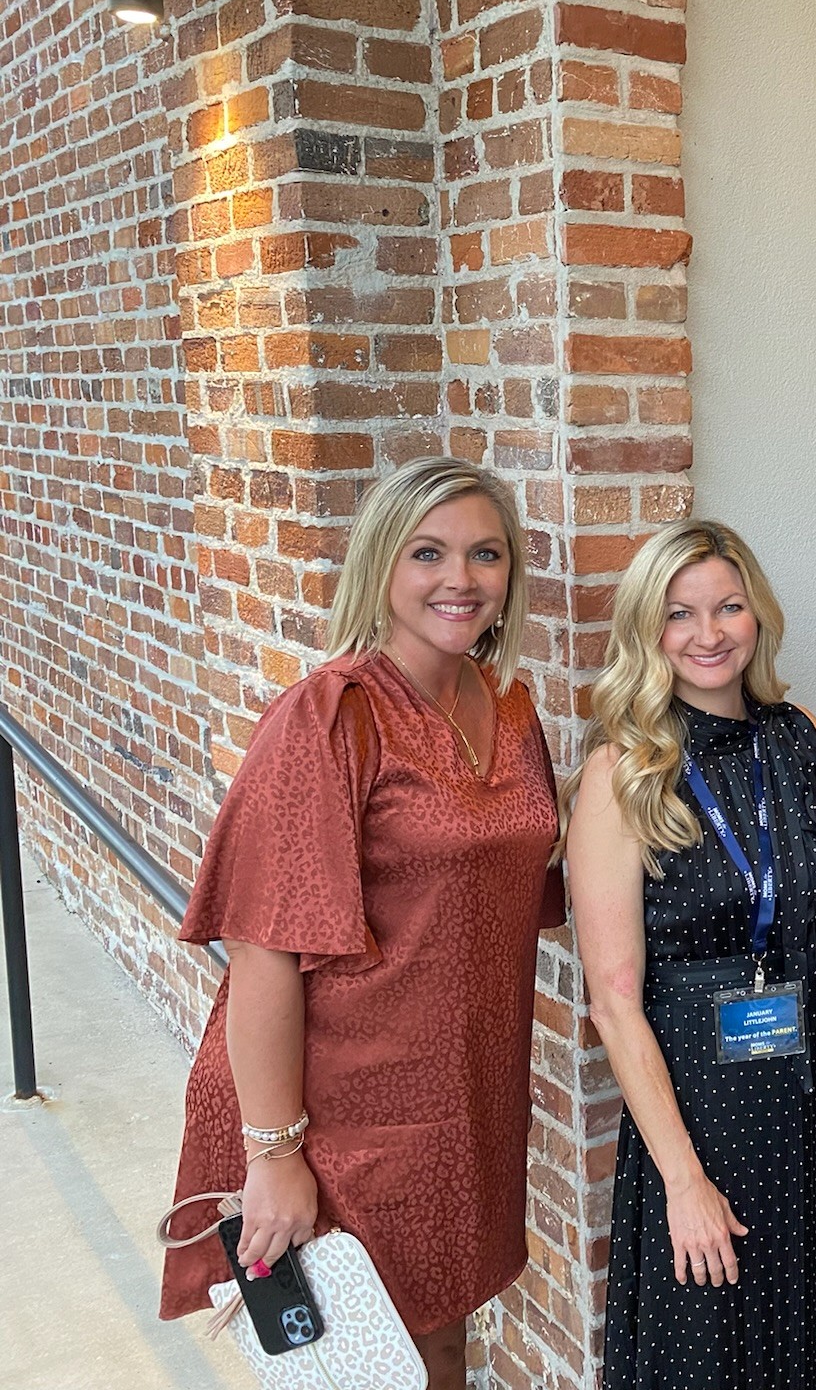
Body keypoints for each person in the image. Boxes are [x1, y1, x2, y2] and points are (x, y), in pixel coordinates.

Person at [160, 457, 564, 1389]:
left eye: (486, 554)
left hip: (463, 1099)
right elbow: (262, 948)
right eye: (428, 553)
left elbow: (520, 875)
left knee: (442, 1346)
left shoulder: (507, 705)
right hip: (346, 1110)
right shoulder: (332, 716)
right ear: (380, 563)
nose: (460, 578)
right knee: (370, 1364)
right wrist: (274, 1156)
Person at [564, 520, 816, 1389]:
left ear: (758, 615)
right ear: (648, 630)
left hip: (807, 1082)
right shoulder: (625, 772)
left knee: (812, 1322)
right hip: (701, 1106)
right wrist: (683, 1180)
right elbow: (615, 1001)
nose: (708, 634)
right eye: (680, 614)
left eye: (728, 607)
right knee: (713, 1340)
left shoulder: (794, 736)